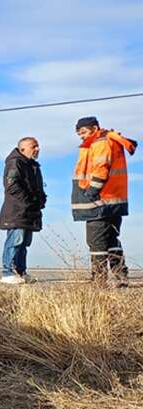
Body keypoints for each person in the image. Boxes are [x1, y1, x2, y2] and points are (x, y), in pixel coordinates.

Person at [72, 116, 137, 287]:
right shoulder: (107, 140)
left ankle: (99, 280)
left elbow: (101, 168)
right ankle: (120, 276)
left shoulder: (100, 142)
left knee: (96, 242)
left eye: (84, 132)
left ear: (94, 128)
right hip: (112, 202)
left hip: (100, 202)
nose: (81, 136)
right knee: (111, 240)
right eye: (79, 133)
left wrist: (91, 192)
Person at [0, 137, 45, 284]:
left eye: (37, 146)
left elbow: (38, 188)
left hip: (29, 212)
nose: (37, 149)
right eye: (33, 146)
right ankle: (7, 272)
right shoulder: (15, 162)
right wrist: (28, 201)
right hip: (17, 211)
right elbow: (12, 186)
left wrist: (40, 201)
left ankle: (20, 272)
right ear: (23, 149)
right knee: (15, 241)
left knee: (24, 243)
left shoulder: (33, 166)